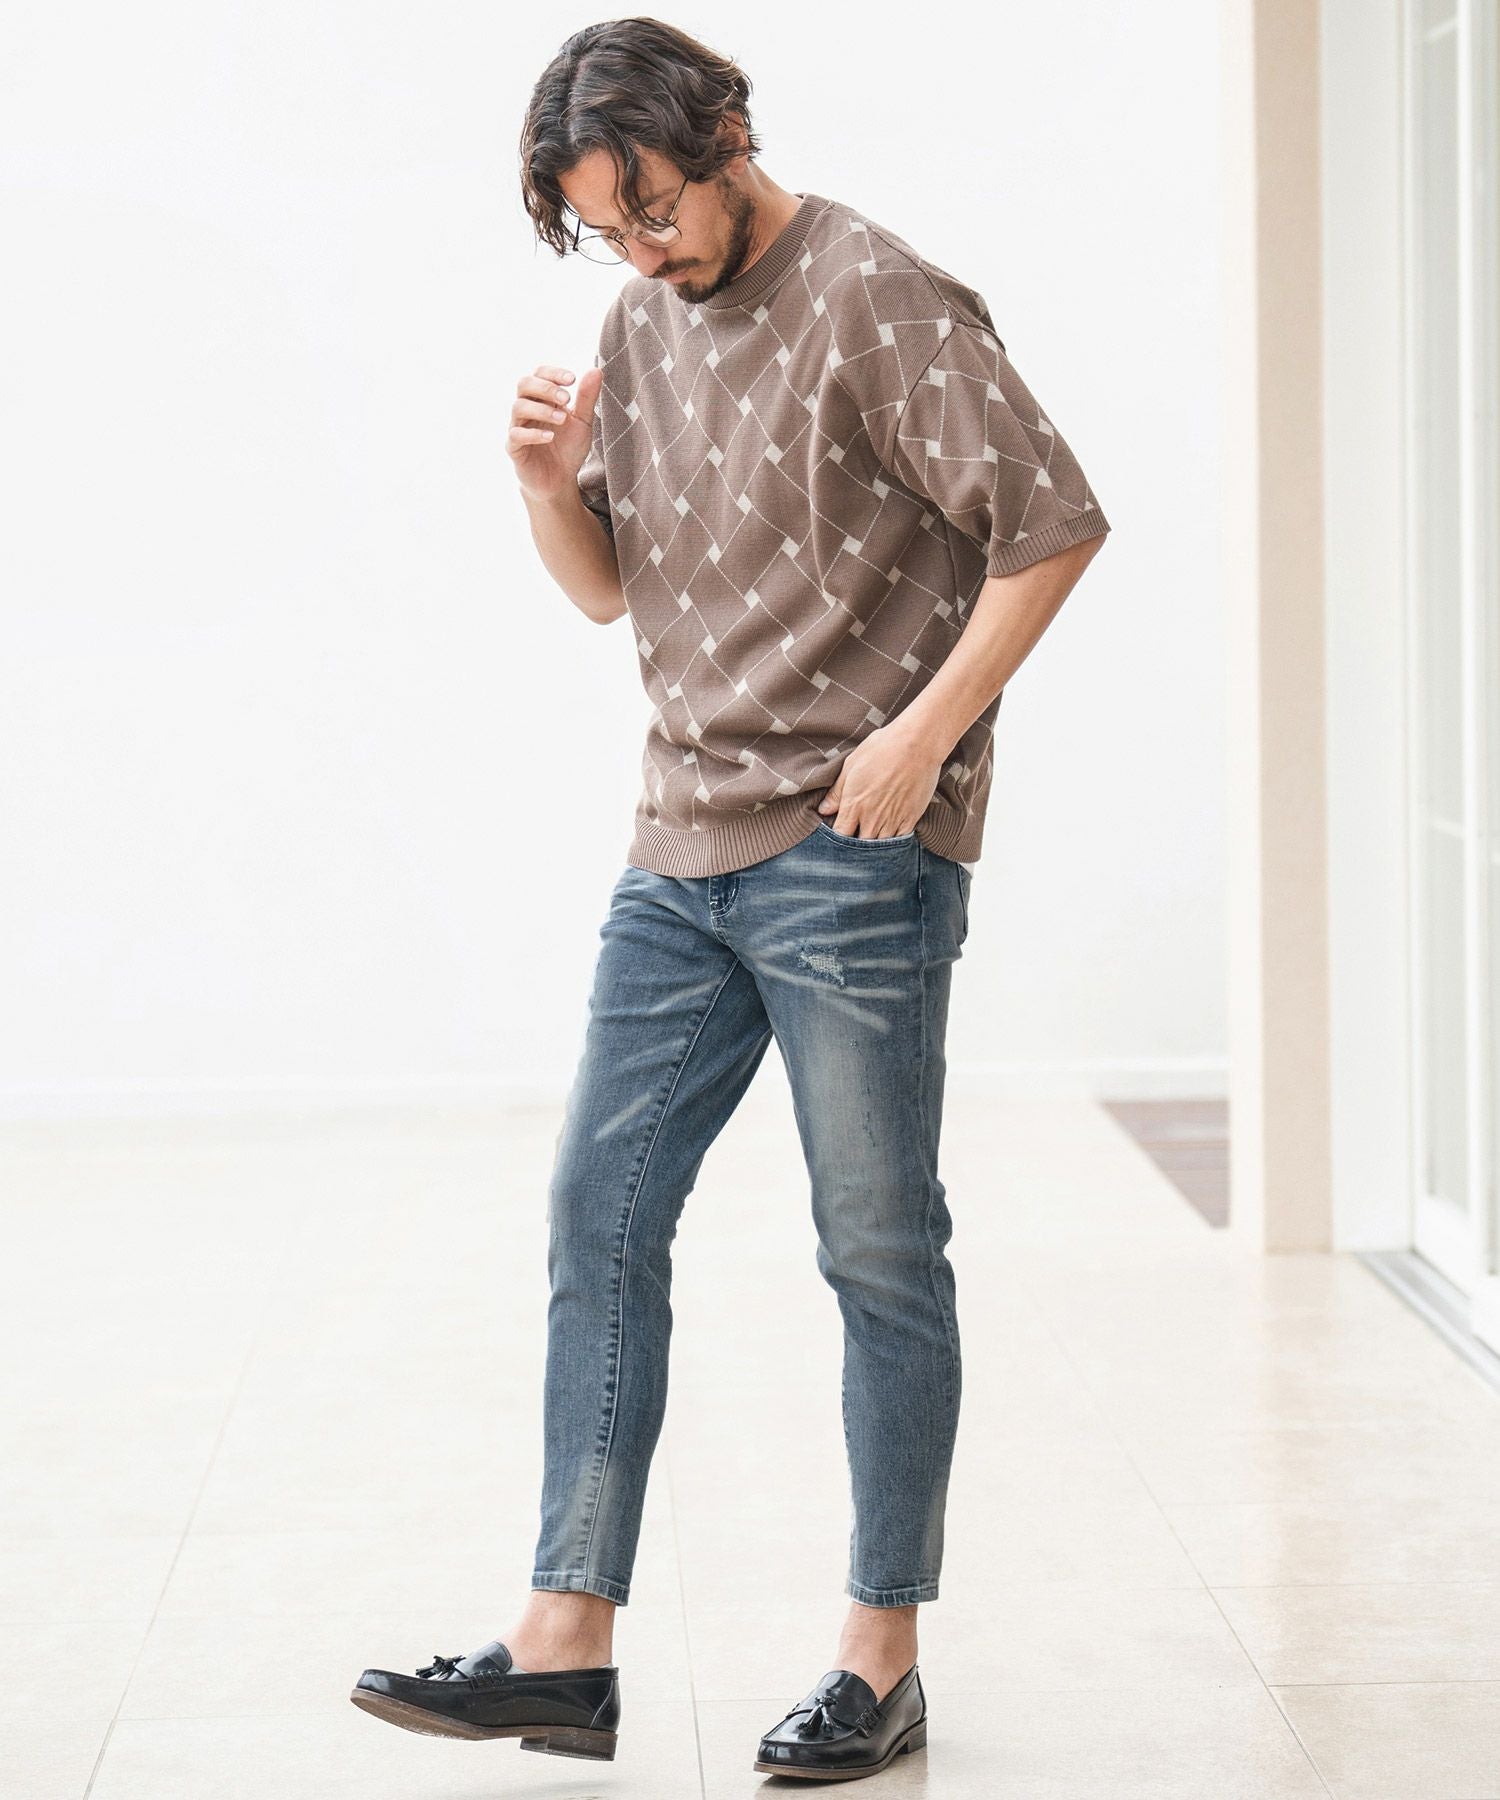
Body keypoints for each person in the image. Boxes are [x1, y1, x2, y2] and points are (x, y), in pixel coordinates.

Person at [352, 16, 1110, 1781]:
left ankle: (877, 1657)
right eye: (606, 231)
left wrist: (924, 739)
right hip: (678, 849)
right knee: (598, 1213)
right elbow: (606, 591)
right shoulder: (642, 320)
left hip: (850, 853)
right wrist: (543, 488)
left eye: (656, 209)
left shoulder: (881, 297)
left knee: (876, 1248)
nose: (642, 252)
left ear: (728, 133)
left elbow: (1054, 524)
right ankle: (565, 1645)